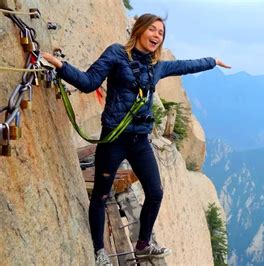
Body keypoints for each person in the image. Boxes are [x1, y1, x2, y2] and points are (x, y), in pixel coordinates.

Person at [42, 13, 230, 266]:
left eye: (161, 33)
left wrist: (212, 61)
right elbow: (88, 82)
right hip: (114, 139)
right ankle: (99, 250)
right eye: (152, 30)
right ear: (139, 30)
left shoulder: (157, 66)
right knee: (100, 196)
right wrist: (59, 65)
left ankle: (143, 244)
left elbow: (186, 65)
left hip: (140, 140)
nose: (157, 36)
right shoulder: (116, 54)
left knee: (155, 192)